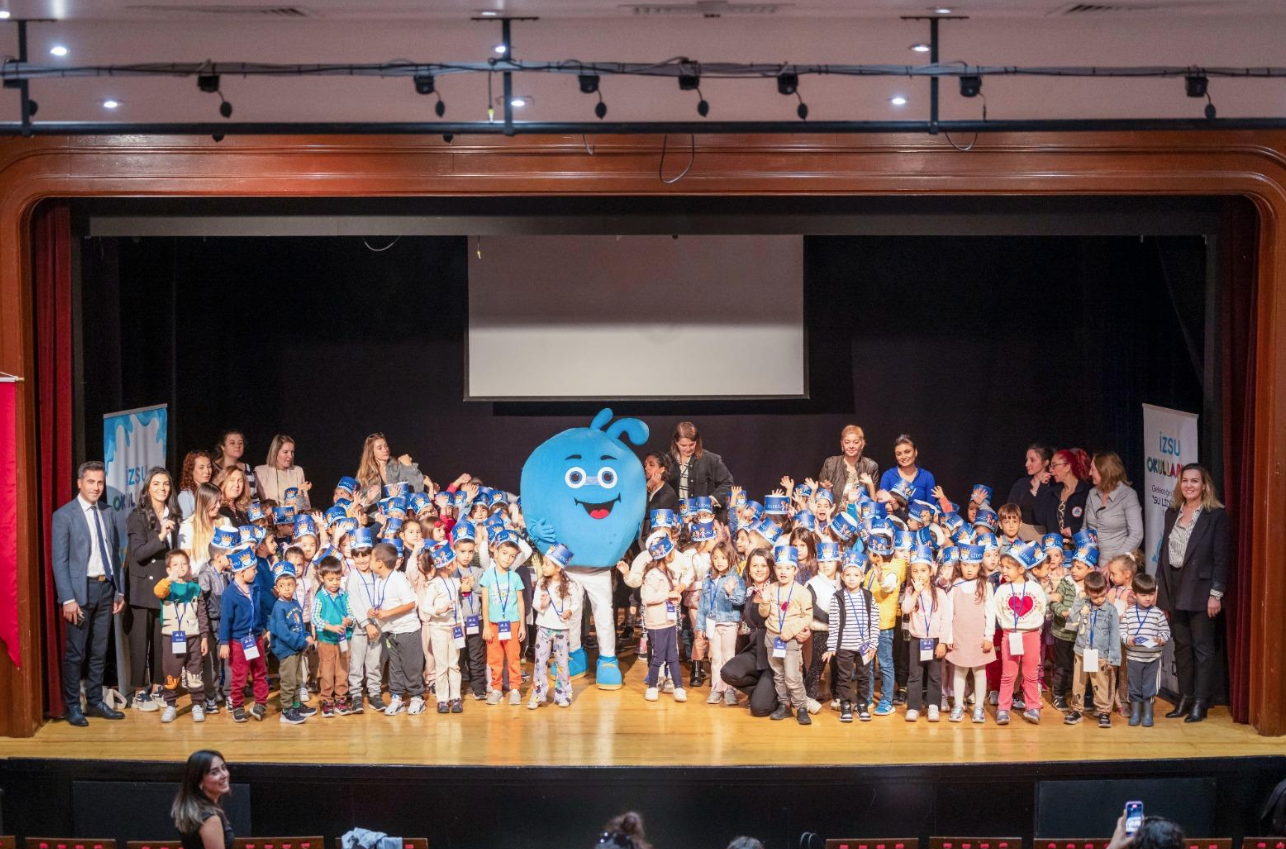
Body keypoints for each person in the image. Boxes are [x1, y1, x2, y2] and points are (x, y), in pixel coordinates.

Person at [51, 460, 126, 727]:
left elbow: (115, 554)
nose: (96, 487)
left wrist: (119, 590)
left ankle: (94, 701)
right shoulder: (64, 515)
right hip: (80, 592)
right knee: (76, 653)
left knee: (99, 651)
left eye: (100, 482)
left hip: (106, 588)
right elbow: (59, 562)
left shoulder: (107, 512)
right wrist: (67, 599)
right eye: (91, 482)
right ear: (80, 483)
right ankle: (73, 705)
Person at [1156, 463, 1229, 724]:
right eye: (1185, 480)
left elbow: (1221, 558)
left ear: (1204, 485)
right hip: (1174, 587)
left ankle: (1200, 702)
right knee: (1181, 648)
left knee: (1202, 649)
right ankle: (1184, 698)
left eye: (1194, 481)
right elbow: (1164, 553)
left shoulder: (1215, 516)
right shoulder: (1172, 512)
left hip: (1201, 591)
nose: (1189, 485)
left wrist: (1216, 594)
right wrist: (1160, 589)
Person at [125, 466, 180, 712]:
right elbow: (138, 553)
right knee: (140, 642)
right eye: (156, 484)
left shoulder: (174, 515)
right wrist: (159, 536)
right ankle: (138, 691)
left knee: (162, 641)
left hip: (165, 586)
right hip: (142, 587)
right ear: (147, 487)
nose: (162, 488)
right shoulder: (137, 516)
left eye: (166, 484)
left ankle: (158, 687)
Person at [991, 542, 1048, 726]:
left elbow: (1041, 608)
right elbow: (998, 611)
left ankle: (1032, 707)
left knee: (1030, 673)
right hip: (1010, 635)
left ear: (1021, 568)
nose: (1004, 570)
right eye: (1003, 566)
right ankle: (1003, 708)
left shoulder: (1035, 588)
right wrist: (1009, 627)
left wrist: (1030, 626)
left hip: (1031, 635)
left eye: (1009, 567)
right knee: (1008, 674)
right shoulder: (1002, 590)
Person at [370, 541, 425, 716]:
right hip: (390, 631)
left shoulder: (398, 579)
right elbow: (382, 603)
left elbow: (410, 603)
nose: (370, 562)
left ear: (380, 562)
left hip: (407, 630)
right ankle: (397, 697)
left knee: (411, 665)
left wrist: (387, 613)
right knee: (395, 666)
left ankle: (416, 696)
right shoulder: (379, 581)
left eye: (371, 558)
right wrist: (374, 611)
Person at [152, 549, 207, 723]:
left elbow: (202, 614)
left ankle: (197, 704)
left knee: (195, 671)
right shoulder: (167, 587)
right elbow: (157, 591)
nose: (180, 567)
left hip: (193, 637)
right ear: (168, 569)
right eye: (175, 565)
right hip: (172, 637)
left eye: (183, 564)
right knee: (171, 671)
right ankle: (170, 704)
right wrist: (169, 579)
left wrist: (204, 636)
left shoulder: (195, 588)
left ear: (189, 567)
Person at [760, 546, 813, 725]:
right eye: (780, 568)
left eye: (788, 568)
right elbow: (763, 613)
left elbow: (808, 616)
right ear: (774, 569)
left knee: (792, 676)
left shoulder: (802, 592)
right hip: (772, 638)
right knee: (778, 674)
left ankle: (801, 706)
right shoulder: (771, 588)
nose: (783, 572)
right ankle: (784, 704)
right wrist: (765, 602)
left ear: (795, 570)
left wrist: (790, 631)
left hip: (789, 641)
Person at [217, 546, 269, 723]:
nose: (255, 572)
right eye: (253, 569)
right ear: (241, 571)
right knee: (239, 675)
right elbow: (226, 620)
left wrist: (265, 628)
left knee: (260, 671)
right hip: (239, 641)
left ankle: (261, 702)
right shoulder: (229, 594)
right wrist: (224, 642)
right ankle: (237, 705)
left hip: (256, 638)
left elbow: (260, 610)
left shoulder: (255, 588)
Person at [824, 557, 879, 723]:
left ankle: (862, 704)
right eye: (848, 574)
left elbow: (875, 621)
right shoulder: (838, 597)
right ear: (842, 576)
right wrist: (831, 646)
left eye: (856, 575)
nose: (852, 578)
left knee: (864, 677)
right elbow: (833, 624)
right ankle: (846, 704)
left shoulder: (869, 597)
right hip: (844, 646)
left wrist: (873, 644)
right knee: (844, 677)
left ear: (862, 577)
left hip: (864, 647)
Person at [1064, 569, 1120, 729]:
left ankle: (1103, 711)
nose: (1100, 599)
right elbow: (1073, 619)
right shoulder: (1083, 604)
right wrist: (1078, 600)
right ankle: (1076, 710)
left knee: (1101, 683)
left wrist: (1113, 658)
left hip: (1100, 654)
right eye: (1095, 597)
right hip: (1081, 651)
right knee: (1078, 683)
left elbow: (1115, 635)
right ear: (1087, 592)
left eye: (1103, 595)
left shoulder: (1110, 611)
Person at [945, 544, 995, 724]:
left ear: (979, 566)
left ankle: (979, 707)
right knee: (959, 671)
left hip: (978, 637)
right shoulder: (954, 586)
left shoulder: (985, 586)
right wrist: (948, 637)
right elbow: (949, 612)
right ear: (960, 565)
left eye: (973, 566)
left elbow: (990, 612)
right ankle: (958, 705)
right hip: (959, 636)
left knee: (980, 672)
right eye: (966, 565)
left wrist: (989, 636)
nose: (969, 569)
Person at [902, 548, 950, 722]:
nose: (920, 575)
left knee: (935, 675)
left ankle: (933, 706)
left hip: (935, 640)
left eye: (923, 570)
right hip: (917, 640)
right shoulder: (910, 591)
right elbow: (906, 609)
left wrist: (943, 642)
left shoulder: (940, 593)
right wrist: (915, 592)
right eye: (915, 571)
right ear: (911, 574)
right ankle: (913, 707)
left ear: (931, 571)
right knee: (915, 675)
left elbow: (946, 619)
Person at [530, 543, 579, 709]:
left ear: (558, 567)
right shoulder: (542, 583)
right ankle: (538, 694)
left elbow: (576, 603)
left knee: (562, 663)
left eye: (547, 564)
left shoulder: (570, 584)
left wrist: (570, 611)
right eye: (543, 563)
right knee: (540, 662)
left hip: (562, 630)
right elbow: (535, 602)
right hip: (543, 628)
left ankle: (563, 694)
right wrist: (542, 604)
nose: (543, 567)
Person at [1122, 571, 1170, 727]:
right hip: (1134, 657)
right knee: (1134, 685)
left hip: (1152, 658)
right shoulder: (1129, 613)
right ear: (1134, 595)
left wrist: (1161, 639)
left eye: (1151, 594)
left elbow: (1166, 631)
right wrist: (1129, 640)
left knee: (1149, 686)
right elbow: (1122, 631)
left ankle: (1148, 713)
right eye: (1143, 595)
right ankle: (1136, 712)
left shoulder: (1158, 614)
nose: (1148, 598)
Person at [310, 555, 354, 718]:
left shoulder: (344, 595)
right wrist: (331, 627)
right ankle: (327, 700)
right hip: (326, 640)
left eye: (337, 578)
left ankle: (341, 698)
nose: (334, 583)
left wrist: (349, 620)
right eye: (330, 579)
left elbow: (351, 613)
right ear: (322, 578)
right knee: (327, 671)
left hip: (344, 639)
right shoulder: (320, 596)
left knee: (342, 670)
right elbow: (315, 618)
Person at [268, 562, 313, 725]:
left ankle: (296, 705)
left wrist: (306, 635)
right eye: (282, 585)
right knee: (288, 680)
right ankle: (286, 711)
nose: (287, 588)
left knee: (297, 678)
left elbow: (299, 624)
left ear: (296, 585)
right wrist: (301, 642)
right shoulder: (279, 607)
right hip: (287, 650)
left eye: (290, 584)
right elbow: (283, 633)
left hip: (298, 647)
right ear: (276, 589)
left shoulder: (294, 603)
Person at [1085, 451, 1145, 561]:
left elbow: (1136, 534)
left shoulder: (1128, 495)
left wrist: (1114, 561)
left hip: (1118, 565)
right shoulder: (1092, 494)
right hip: (1092, 563)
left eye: (1093, 469)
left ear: (1104, 472)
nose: (1089, 473)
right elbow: (1085, 528)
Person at [666, 421, 734, 512]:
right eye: (683, 445)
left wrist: (712, 500)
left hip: (702, 515)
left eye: (691, 444)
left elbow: (728, 483)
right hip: (676, 516)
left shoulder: (710, 459)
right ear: (676, 442)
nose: (688, 449)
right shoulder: (667, 461)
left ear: (697, 441)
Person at [173, 749, 234, 849]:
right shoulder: (210, 819)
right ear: (199, 781)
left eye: (224, 768)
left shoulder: (193, 809)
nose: (224, 775)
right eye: (214, 772)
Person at [818, 424, 879, 511]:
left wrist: (870, 485)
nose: (851, 446)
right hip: (834, 516)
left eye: (856, 442)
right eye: (847, 442)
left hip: (861, 517)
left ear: (862, 444)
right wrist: (827, 491)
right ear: (842, 444)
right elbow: (820, 498)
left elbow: (874, 502)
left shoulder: (871, 466)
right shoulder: (830, 463)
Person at [1036, 448, 1092, 539]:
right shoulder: (1053, 492)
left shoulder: (1086, 492)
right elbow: (1040, 518)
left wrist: (1074, 530)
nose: (1051, 470)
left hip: (1080, 547)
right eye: (1050, 466)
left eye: (1054, 465)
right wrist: (1042, 487)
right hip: (1056, 549)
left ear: (1067, 467)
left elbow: (1094, 523)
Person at [355, 432, 427, 501]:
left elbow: (418, 489)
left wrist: (410, 467)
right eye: (380, 448)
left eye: (386, 446)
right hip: (377, 513)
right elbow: (359, 502)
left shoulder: (398, 466)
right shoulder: (364, 474)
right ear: (371, 452)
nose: (385, 449)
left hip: (401, 510)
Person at [877, 434, 937, 508]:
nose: (903, 457)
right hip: (893, 518)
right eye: (899, 454)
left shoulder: (927, 477)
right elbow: (882, 507)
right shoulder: (888, 476)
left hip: (920, 519)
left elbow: (931, 508)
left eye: (907, 452)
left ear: (915, 452)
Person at [1006, 444, 1053, 537]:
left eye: (1032, 460)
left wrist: (1043, 487)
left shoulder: (1053, 488)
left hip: (1044, 537)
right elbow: (1008, 511)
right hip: (1019, 536)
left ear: (1046, 462)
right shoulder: (1021, 485)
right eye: (1027, 460)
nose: (1027, 464)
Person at [254, 433, 311, 509]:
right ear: (275, 452)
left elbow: (303, 506)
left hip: (294, 519)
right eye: (285, 452)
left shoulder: (298, 471)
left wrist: (300, 492)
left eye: (292, 452)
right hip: (270, 519)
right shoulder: (260, 472)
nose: (290, 456)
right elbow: (252, 501)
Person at [211, 430, 257, 500]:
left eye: (240, 443)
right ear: (223, 447)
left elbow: (254, 497)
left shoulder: (247, 467)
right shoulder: (212, 468)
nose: (237, 446)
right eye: (232, 443)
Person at [177, 451, 214, 520]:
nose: (207, 471)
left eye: (209, 467)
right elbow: (185, 524)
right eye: (201, 467)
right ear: (191, 470)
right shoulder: (186, 496)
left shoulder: (213, 492)